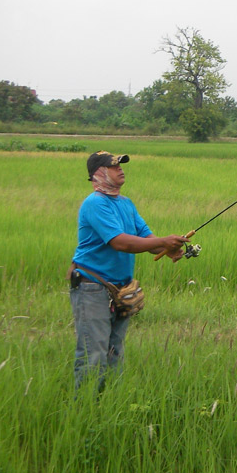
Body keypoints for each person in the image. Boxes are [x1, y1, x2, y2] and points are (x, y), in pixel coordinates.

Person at [69, 151, 189, 391]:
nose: (121, 169)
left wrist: (168, 248)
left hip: (121, 288)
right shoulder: (95, 203)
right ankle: (85, 408)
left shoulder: (125, 203)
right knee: (93, 352)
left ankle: (110, 402)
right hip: (92, 286)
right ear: (98, 174)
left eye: (121, 165)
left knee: (115, 351)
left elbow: (144, 234)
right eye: (114, 167)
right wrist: (163, 242)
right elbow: (120, 242)